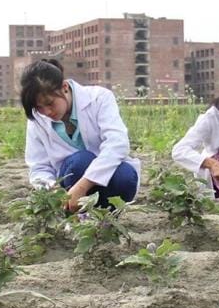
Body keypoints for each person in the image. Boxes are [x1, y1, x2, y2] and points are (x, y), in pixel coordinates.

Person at [21, 58, 141, 211]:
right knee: (80, 162)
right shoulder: (37, 120)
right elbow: (39, 167)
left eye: (50, 103)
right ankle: (77, 215)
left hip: (106, 180)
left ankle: (106, 218)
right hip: (69, 182)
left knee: (125, 176)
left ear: (64, 87)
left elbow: (117, 144)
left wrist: (83, 186)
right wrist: (54, 190)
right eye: (39, 107)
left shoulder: (99, 98)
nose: (46, 112)